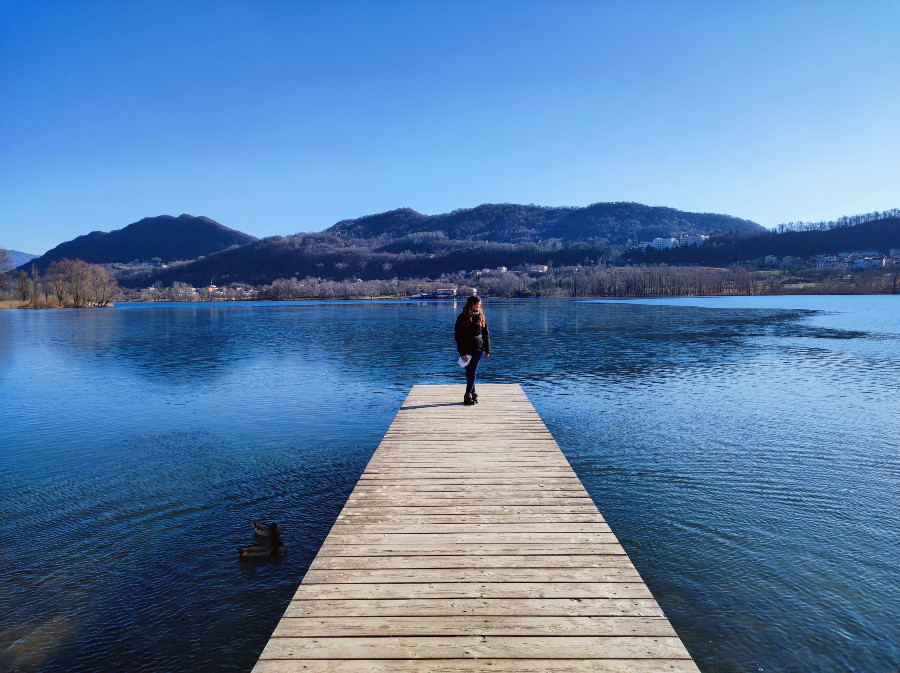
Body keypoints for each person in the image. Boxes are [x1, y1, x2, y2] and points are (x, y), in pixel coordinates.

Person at [454, 296, 490, 406]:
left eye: (480, 304)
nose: (480, 306)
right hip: (466, 348)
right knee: (470, 372)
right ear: (472, 304)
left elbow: (485, 334)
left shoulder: (480, 316)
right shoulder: (462, 317)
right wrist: (462, 352)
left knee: (472, 372)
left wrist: (487, 349)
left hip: (478, 348)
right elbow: (458, 336)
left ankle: (468, 394)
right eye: (478, 304)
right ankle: (473, 393)